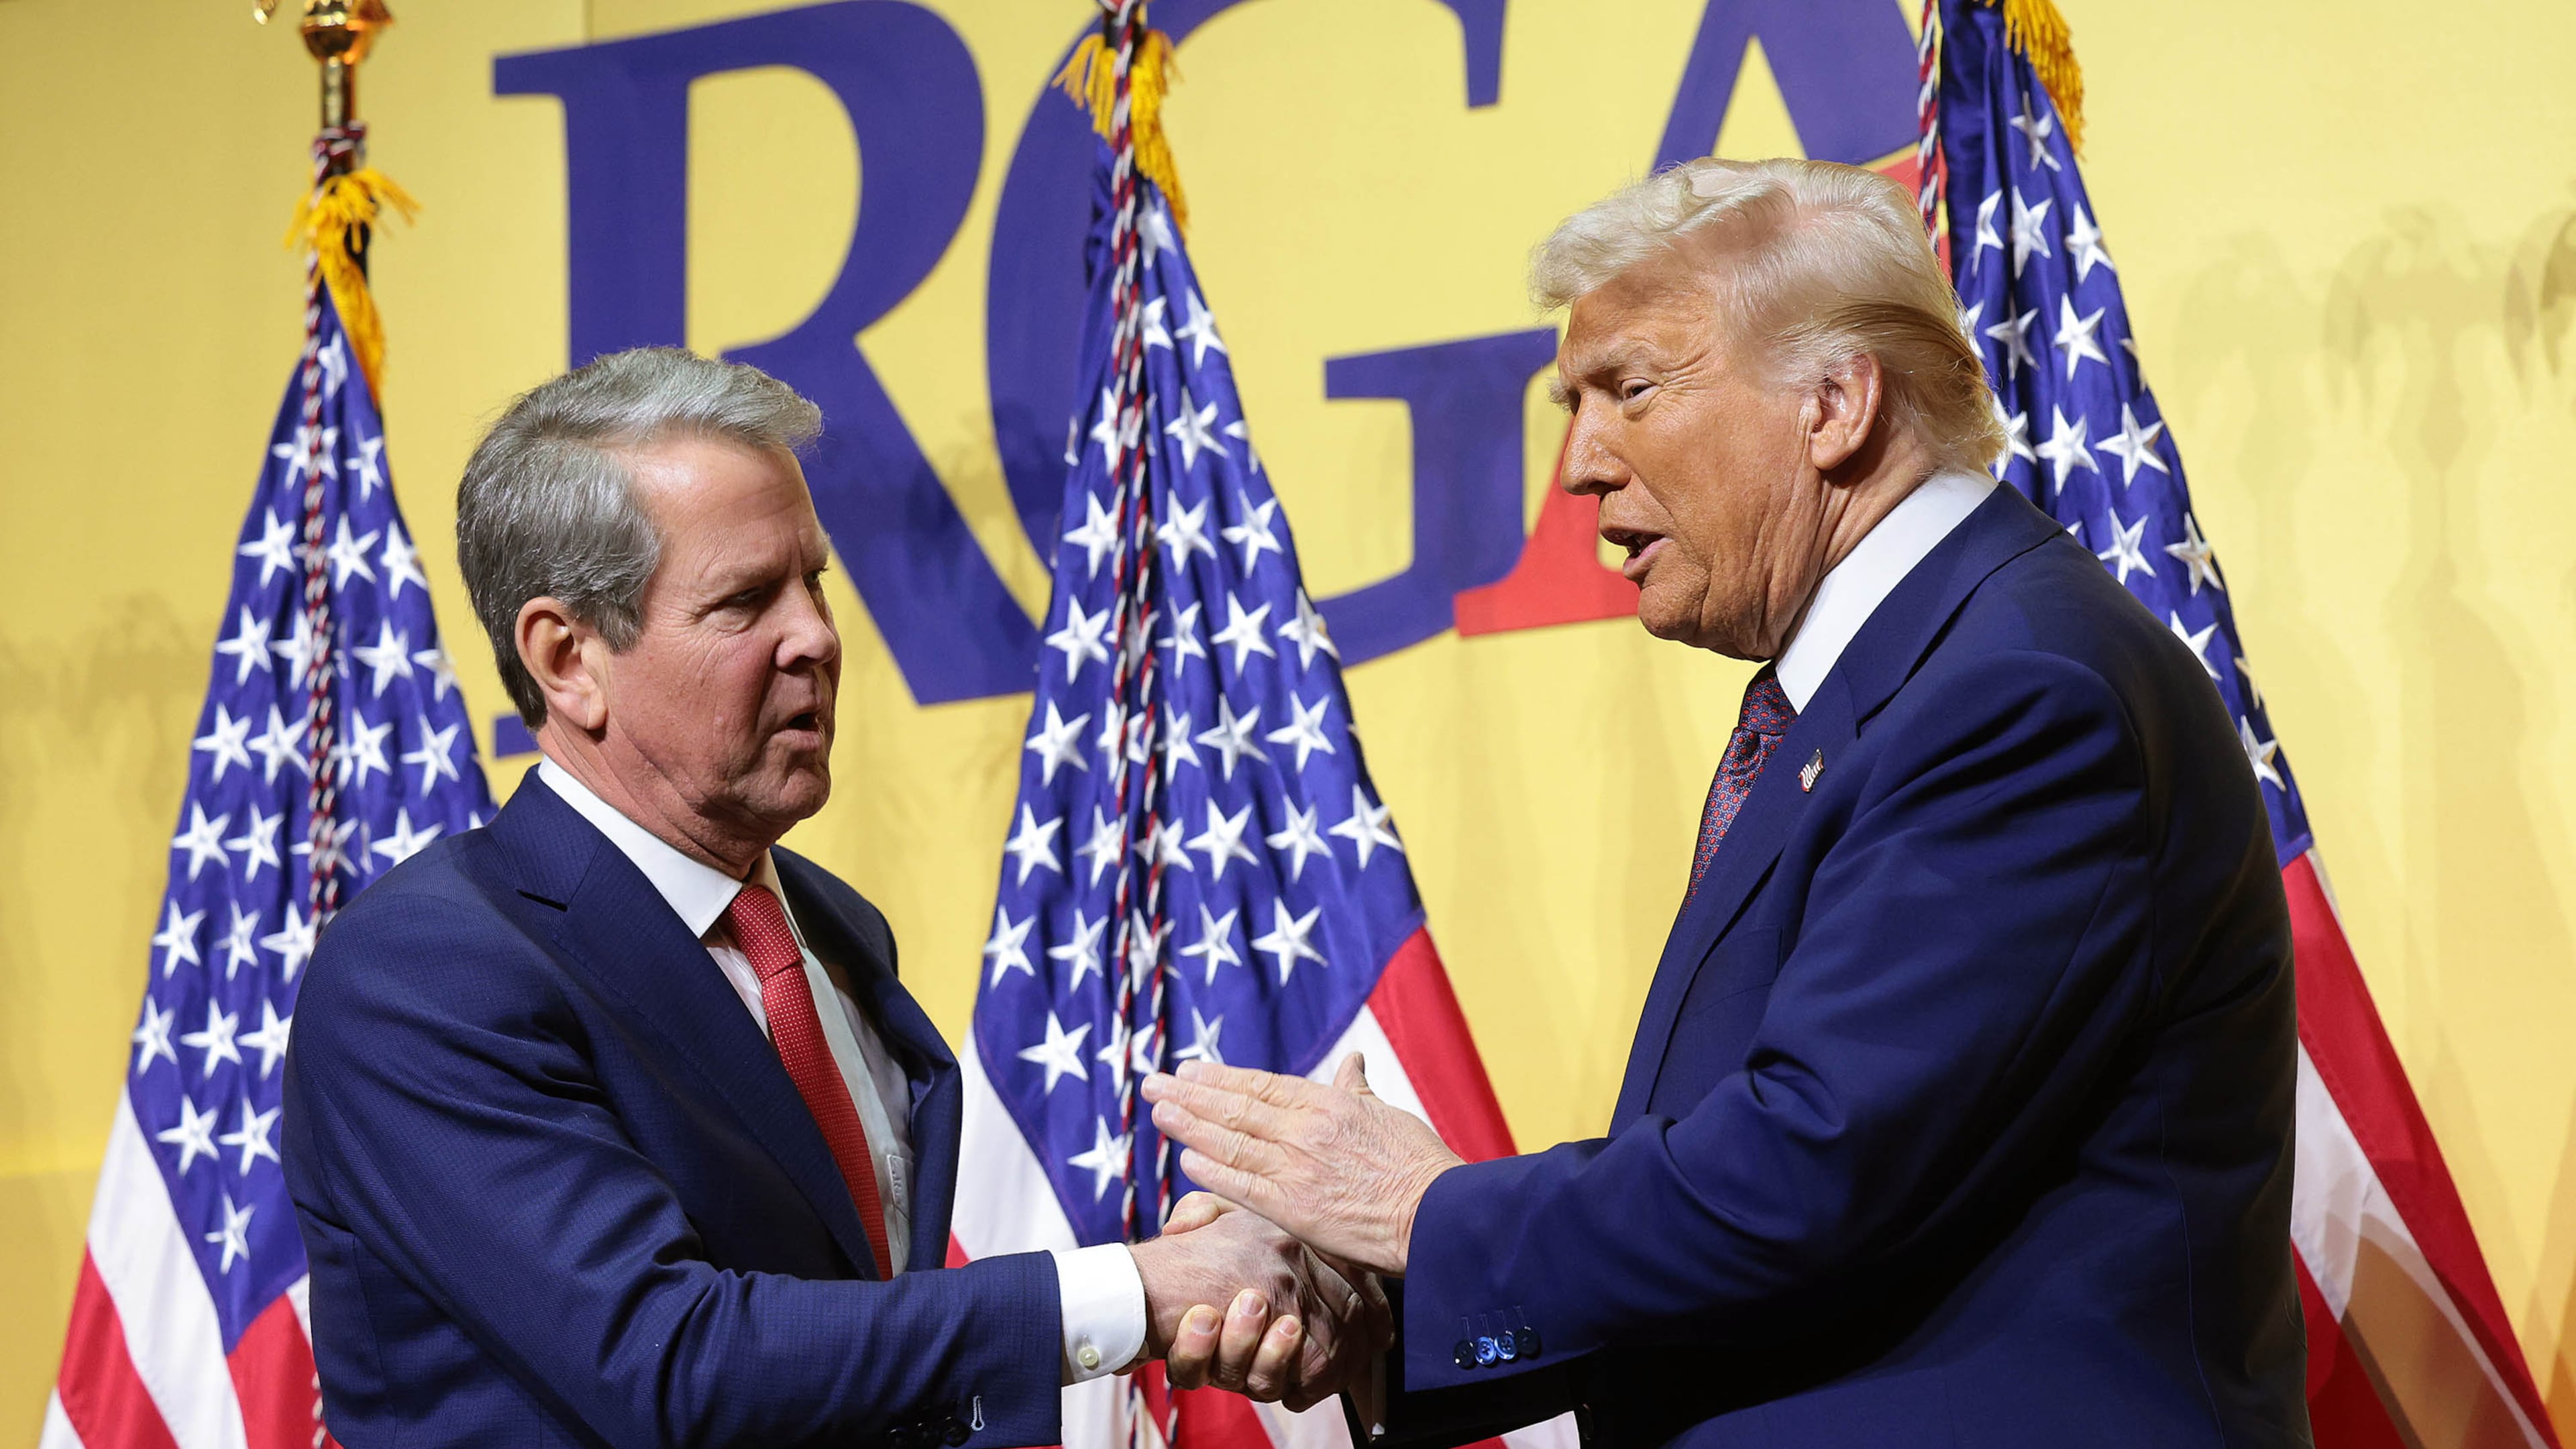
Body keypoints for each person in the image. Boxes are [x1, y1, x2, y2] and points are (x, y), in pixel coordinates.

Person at [1143, 157, 2310, 1448]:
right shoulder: (1870, 694)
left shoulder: (2018, 693)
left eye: (1630, 391)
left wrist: (1422, 1215)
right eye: (1569, 406)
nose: (1580, 465)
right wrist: (1390, 1332)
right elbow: (1773, 1250)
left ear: (1834, 404)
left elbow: (1815, 1167)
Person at [280, 349, 1378, 1447]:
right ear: (568, 658)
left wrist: (1209, 1283)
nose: (815, 636)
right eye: (747, 599)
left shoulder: (835, 932)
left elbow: (856, 1361)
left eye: (815, 582)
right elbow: (671, 1362)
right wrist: (1138, 1293)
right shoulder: (428, 973)